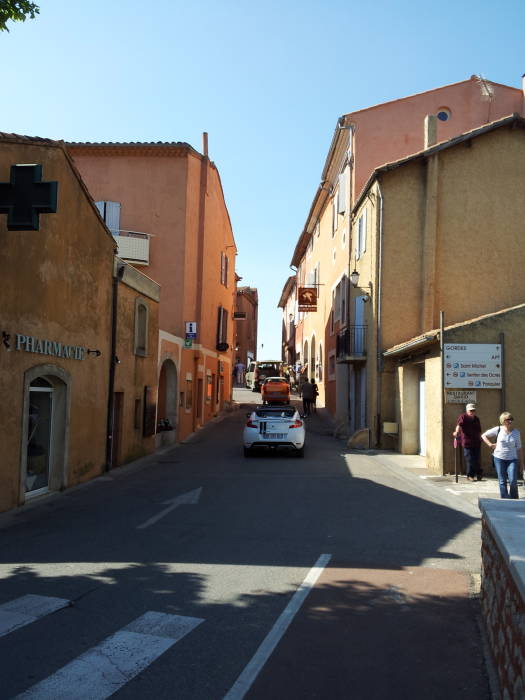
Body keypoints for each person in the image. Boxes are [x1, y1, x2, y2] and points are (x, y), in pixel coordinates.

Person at [482, 411, 524, 499]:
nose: (510, 421)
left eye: (511, 419)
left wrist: (522, 463)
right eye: (508, 419)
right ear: (503, 421)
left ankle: (514, 499)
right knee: (502, 481)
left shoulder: (516, 433)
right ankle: (505, 499)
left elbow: (519, 448)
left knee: (513, 480)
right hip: (499, 458)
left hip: (512, 459)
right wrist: (490, 444)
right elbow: (484, 435)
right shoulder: (498, 429)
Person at [453, 403, 483, 481]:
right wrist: (456, 432)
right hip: (467, 442)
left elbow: (479, 430)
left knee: (476, 459)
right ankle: (471, 475)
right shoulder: (463, 417)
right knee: (470, 459)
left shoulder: (476, 419)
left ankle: (476, 474)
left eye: (473, 410)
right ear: (467, 411)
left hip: (476, 442)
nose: (472, 412)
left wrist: (481, 437)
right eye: (470, 410)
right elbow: (458, 425)